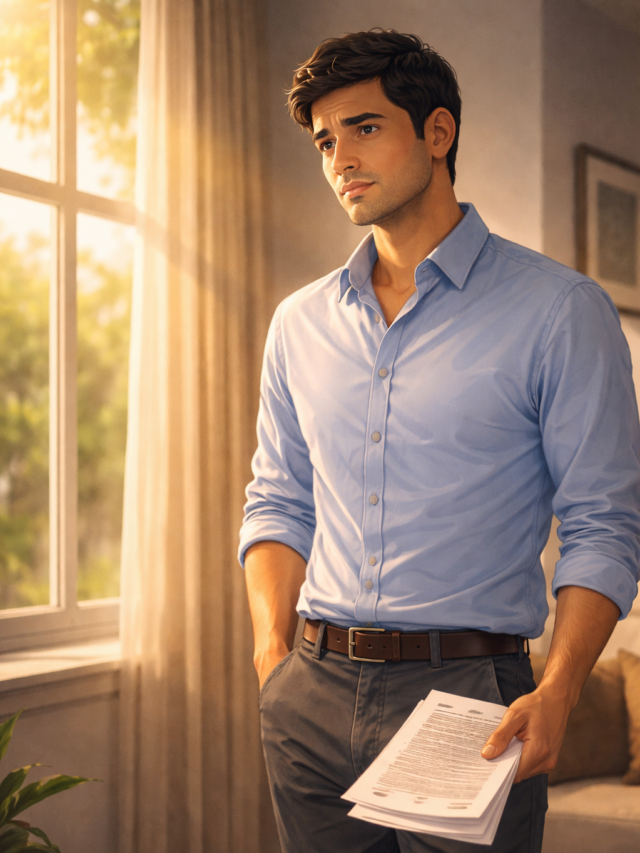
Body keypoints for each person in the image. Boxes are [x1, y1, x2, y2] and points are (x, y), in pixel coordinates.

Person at [238, 29, 640, 853]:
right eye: (324, 140)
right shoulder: (298, 323)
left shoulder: (561, 311)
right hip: (309, 690)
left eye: (365, 127)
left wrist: (560, 689)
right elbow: (278, 498)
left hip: (469, 694)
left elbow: (604, 523)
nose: (339, 157)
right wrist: (273, 655)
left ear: (438, 132)